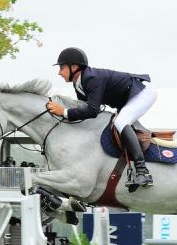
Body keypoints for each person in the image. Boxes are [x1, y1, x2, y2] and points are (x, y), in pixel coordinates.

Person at [45, 47, 156, 188]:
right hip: (127, 99)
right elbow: (83, 107)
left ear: (74, 67)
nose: (59, 72)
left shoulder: (91, 78)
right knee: (116, 123)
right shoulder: (79, 83)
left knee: (120, 122)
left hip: (142, 93)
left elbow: (92, 110)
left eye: (62, 68)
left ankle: (142, 171)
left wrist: (64, 112)